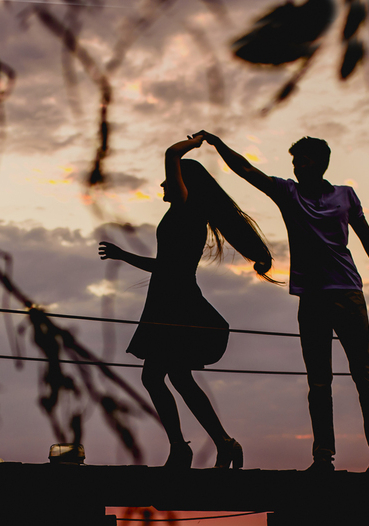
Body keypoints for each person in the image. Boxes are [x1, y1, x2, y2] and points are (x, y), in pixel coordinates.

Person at [195, 131, 369, 473]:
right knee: (319, 382)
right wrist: (217, 144)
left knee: (364, 374)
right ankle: (323, 459)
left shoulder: (347, 196)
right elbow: (246, 170)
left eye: (302, 160)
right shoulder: (288, 192)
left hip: (348, 293)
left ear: (319, 163)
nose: (297, 166)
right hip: (312, 298)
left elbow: (368, 239)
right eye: (294, 161)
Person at [98, 134, 274, 469]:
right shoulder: (184, 215)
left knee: (155, 377)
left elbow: (170, 154)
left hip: (176, 302)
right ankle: (220, 443)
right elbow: (166, 265)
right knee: (175, 377)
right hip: (168, 298)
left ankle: (184, 447)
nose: (164, 184)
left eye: (171, 178)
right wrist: (123, 255)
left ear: (185, 184)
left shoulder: (184, 207)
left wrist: (196, 141)